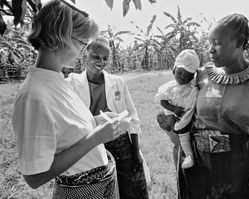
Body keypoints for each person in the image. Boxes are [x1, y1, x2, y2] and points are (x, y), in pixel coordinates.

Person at [12, 1, 121, 198]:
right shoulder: (34, 96)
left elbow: (66, 132)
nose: (82, 50)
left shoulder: (58, 80)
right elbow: (34, 177)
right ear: (59, 36)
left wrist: (95, 122)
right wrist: (96, 137)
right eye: (82, 42)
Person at [174, 14, 249, 199]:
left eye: (217, 43)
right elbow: (183, 113)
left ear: (239, 42)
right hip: (198, 167)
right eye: (209, 43)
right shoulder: (202, 76)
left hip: (237, 173)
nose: (210, 50)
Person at [66, 36, 150, 199]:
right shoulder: (72, 83)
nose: (101, 61)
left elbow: (132, 116)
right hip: (91, 143)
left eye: (105, 58)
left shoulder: (118, 82)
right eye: (95, 56)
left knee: (132, 188)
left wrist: (136, 150)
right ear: (85, 56)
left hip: (120, 142)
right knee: (101, 189)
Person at [155, 49, 200, 169]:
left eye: (188, 75)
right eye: (180, 72)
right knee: (179, 139)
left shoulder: (192, 87)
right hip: (175, 115)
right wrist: (173, 109)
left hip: (188, 115)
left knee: (185, 138)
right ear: (174, 69)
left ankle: (188, 160)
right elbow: (163, 101)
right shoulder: (170, 87)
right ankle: (182, 167)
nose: (183, 77)